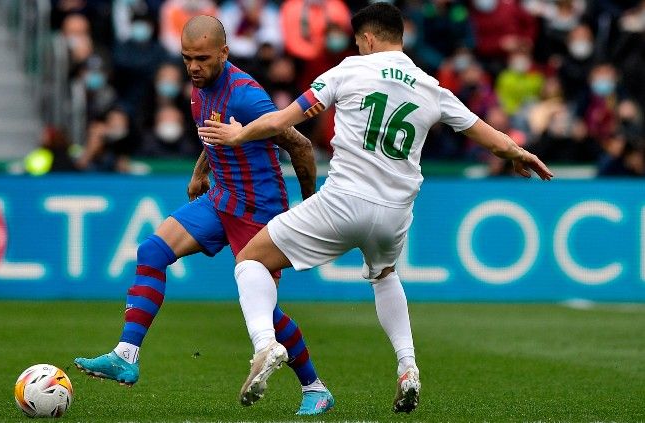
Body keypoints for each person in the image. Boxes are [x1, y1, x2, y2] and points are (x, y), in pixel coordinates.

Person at [198, 2, 554, 413]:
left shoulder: (348, 70)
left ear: (367, 38)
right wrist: (518, 152)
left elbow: (281, 121)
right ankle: (408, 366)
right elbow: (489, 137)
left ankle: (266, 345)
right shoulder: (430, 86)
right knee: (384, 275)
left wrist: (239, 136)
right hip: (395, 213)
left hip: (344, 200)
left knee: (250, 261)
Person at [74, 15, 335, 416]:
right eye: (186, 58)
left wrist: (309, 205)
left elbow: (298, 144)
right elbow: (211, 132)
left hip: (258, 211)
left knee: (264, 311)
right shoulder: (198, 89)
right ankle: (126, 355)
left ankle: (315, 388)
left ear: (224, 53)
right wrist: (201, 172)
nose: (193, 66)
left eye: (202, 58)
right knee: (152, 251)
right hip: (221, 198)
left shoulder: (247, 95)